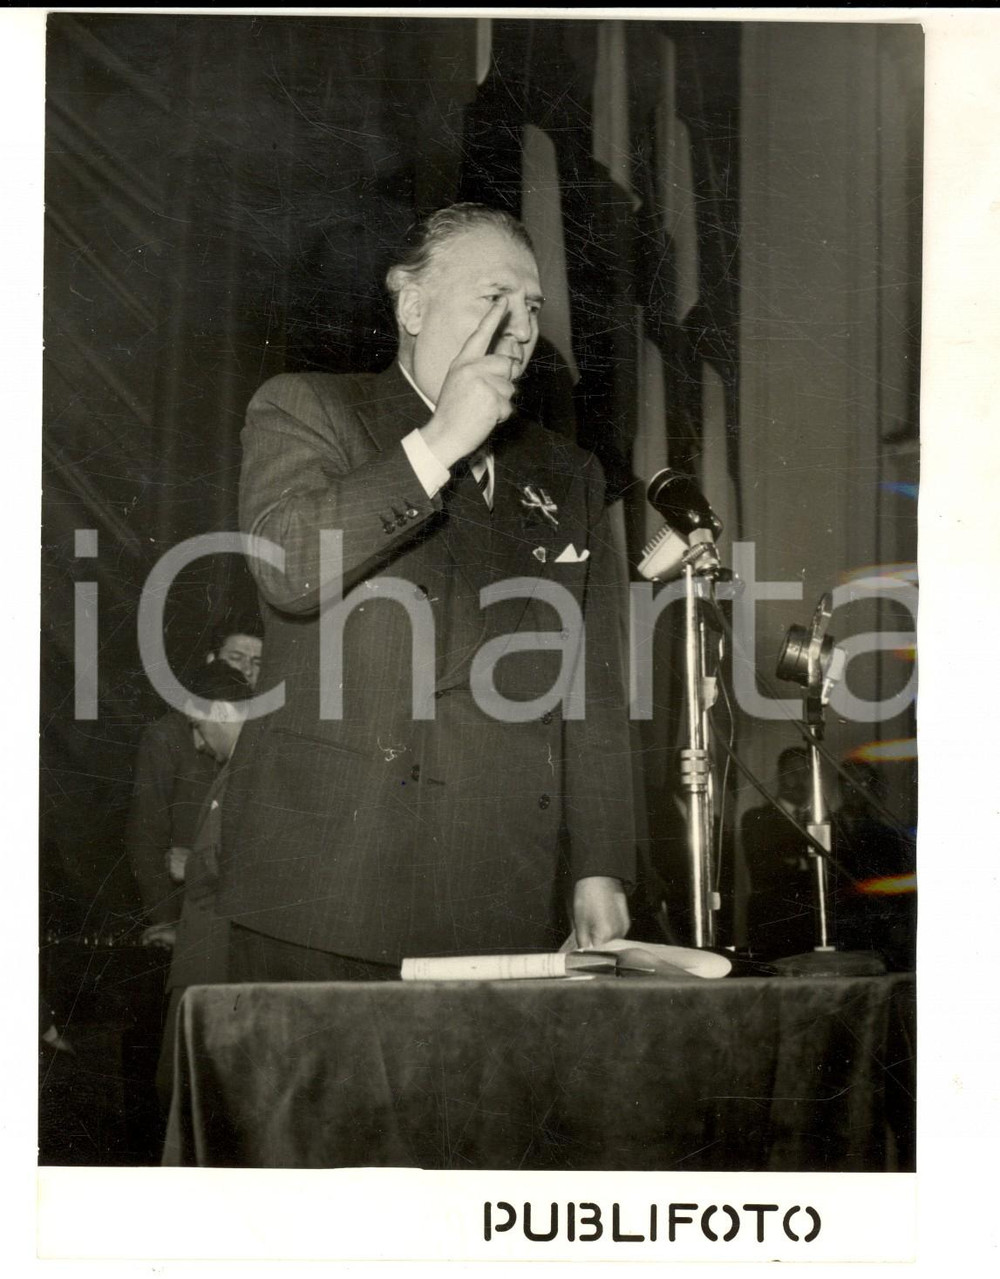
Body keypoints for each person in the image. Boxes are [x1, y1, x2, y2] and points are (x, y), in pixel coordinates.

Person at [218, 203, 637, 981]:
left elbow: (593, 686)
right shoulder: (309, 408)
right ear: (412, 305)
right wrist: (441, 441)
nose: (519, 326)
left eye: (533, 307)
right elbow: (287, 567)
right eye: (493, 297)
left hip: (496, 890)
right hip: (327, 884)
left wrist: (599, 865)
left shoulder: (567, 472)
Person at [126, 620, 263, 947]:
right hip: (184, 913)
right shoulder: (168, 737)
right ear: (211, 661)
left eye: (257, 663)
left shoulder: (265, 738)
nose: (247, 671)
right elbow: (147, 836)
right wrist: (168, 923)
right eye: (237, 657)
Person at [155, 662, 253, 1105]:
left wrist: (187, 866)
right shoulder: (238, 771)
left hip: (215, 970)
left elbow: (237, 862)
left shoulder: (247, 774)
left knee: (193, 1098)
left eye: (198, 727)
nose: (197, 742)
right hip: (206, 958)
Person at [741, 746, 817, 959]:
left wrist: (795, 862)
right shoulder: (757, 819)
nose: (800, 781)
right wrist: (806, 865)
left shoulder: (820, 821)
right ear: (780, 776)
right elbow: (766, 870)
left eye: (805, 774)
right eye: (793, 773)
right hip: (773, 928)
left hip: (812, 930)